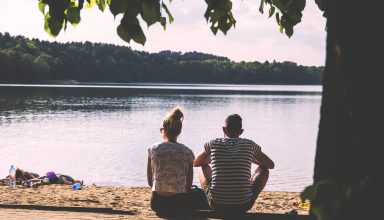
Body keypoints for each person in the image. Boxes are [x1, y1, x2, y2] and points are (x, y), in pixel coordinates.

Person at [193, 114, 274, 213]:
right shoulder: (250, 144)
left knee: (203, 166)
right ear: (241, 131)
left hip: (217, 204)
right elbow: (271, 165)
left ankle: (215, 193)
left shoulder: (213, 143)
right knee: (264, 169)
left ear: (224, 130)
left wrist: (214, 158)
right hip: (244, 204)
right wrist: (251, 159)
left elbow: (196, 162)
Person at [147, 106, 195, 215]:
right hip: (179, 203)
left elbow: (150, 182)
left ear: (163, 130)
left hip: (157, 203)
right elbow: (188, 185)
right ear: (179, 132)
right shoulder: (187, 152)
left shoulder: (153, 149)